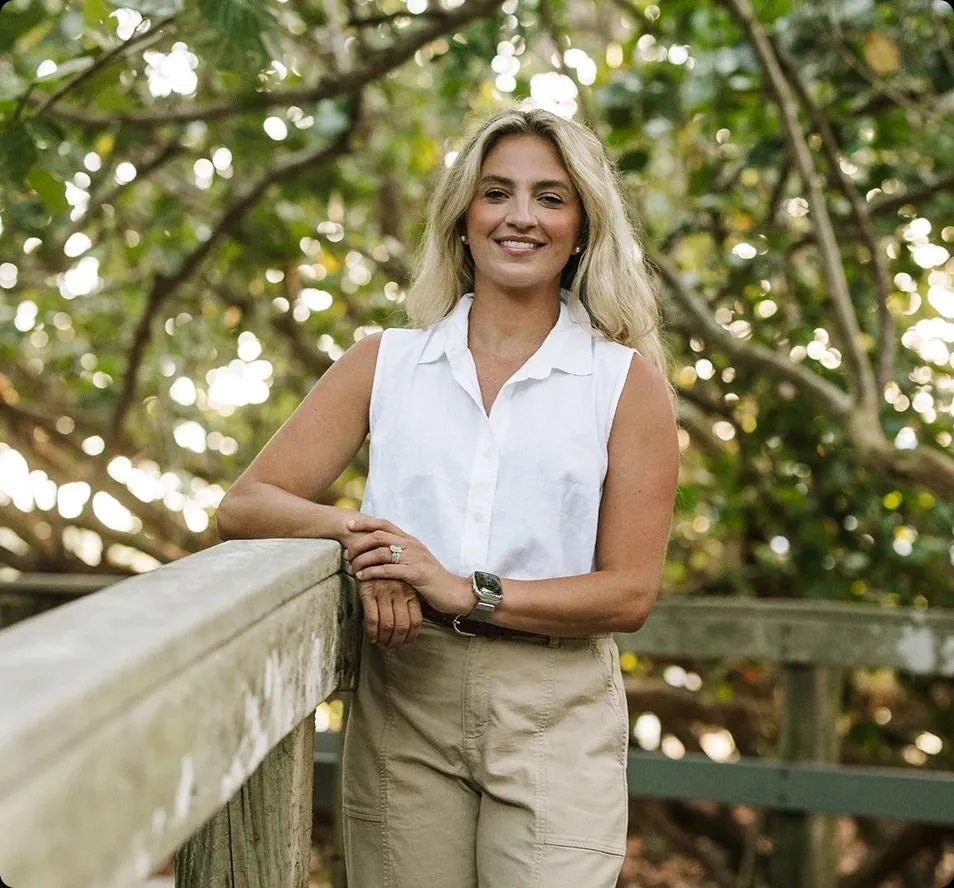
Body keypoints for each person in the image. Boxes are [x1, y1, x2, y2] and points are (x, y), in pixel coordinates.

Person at [216, 107, 679, 888]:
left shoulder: (624, 384)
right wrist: (377, 546)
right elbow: (246, 504)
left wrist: (463, 590)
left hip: (553, 712)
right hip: (406, 699)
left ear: (583, 226)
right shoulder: (385, 362)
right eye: (497, 192)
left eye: (550, 197)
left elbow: (627, 593)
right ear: (463, 216)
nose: (521, 217)